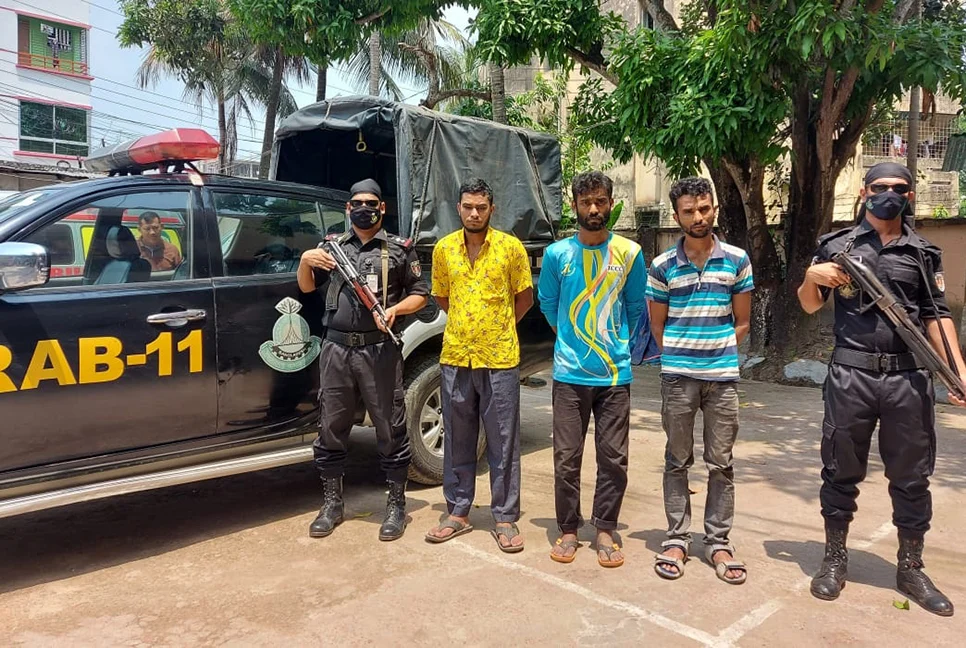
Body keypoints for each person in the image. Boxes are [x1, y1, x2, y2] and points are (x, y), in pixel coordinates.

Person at [797, 162, 966, 616]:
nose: (888, 193)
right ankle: (834, 560)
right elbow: (809, 305)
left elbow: (936, 315)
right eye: (879, 186)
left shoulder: (922, 252)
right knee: (839, 469)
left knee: (912, 476)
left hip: (908, 379)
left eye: (898, 187)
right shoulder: (836, 246)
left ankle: (910, 568)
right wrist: (812, 278)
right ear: (864, 192)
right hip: (851, 375)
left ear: (910, 195)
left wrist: (958, 371)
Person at [297, 179, 429, 541]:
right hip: (336, 349)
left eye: (371, 203)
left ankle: (396, 505)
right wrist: (305, 260)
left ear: (382, 208)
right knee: (332, 424)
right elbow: (306, 287)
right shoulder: (331, 248)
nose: (364, 209)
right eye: (357, 203)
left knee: (390, 425)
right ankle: (332, 504)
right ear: (348, 208)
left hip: (378, 350)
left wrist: (396, 310)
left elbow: (421, 294)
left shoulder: (399, 249)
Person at [646, 177, 754, 585]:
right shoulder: (662, 266)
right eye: (689, 211)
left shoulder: (737, 260)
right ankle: (676, 539)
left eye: (704, 209)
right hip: (678, 380)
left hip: (722, 380)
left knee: (721, 463)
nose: (698, 217)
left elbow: (742, 321)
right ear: (676, 216)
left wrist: (717, 351)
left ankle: (718, 542)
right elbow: (658, 326)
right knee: (677, 460)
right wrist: (680, 355)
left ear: (714, 210)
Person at [538, 171, 647, 568]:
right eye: (586, 202)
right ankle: (568, 529)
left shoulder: (630, 253)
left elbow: (635, 307)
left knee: (613, 457)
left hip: (615, 375)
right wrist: (572, 341)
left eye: (600, 201)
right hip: (569, 374)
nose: (594, 209)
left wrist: (615, 345)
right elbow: (548, 305)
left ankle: (605, 528)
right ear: (574, 206)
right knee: (567, 457)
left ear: (611, 203)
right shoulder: (557, 255)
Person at [424, 178, 534, 552]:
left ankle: (504, 518)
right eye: (468, 207)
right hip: (456, 356)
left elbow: (524, 298)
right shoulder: (444, 250)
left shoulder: (510, 248)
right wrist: (467, 325)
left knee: (503, 439)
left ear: (491, 209)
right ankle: (457, 512)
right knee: (457, 436)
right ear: (459, 208)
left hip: (500, 359)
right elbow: (443, 297)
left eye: (481, 207)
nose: (474, 213)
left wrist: (498, 327)